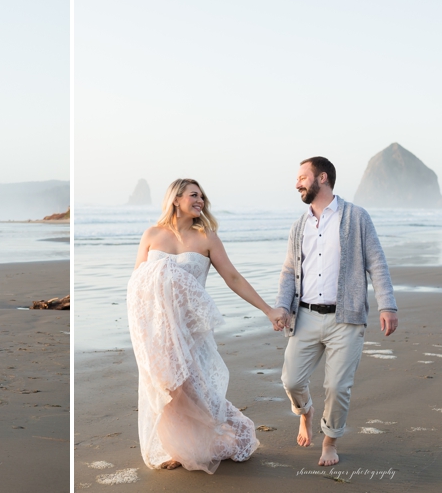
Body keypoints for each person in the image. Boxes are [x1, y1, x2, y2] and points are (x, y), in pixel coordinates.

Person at [126, 178, 288, 473]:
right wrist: (141, 332)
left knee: (197, 391)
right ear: (175, 199)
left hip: (191, 331)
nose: (200, 201)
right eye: (193, 195)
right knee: (169, 391)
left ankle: (221, 435)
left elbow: (233, 278)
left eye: (202, 196)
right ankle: (178, 449)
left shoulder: (207, 238)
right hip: (159, 331)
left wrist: (268, 310)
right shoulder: (152, 234)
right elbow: (136, 285)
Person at [276, 157, 397, 467]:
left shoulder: (356, 217)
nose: (297, 183)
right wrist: (282, 306)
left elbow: (377, 262)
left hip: (347, 318)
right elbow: (290, 271)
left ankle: (329, 442)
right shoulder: (299, 225)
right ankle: (306, 412)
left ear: (323, 178)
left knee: (337, 386)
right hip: (305, 316)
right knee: (291, 380)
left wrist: (387, 305)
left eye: (303, 177)